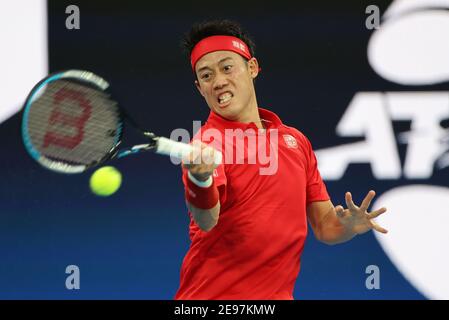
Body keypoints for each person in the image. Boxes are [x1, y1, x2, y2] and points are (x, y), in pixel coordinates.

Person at [175, 19, 388, 300]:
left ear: (252, 68)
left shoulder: (295, 141)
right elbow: (206, 219)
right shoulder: (206, 144)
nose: (218, 82)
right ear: (200, 88)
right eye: (206, 76)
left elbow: (325, 226)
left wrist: (348, 227)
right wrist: (199, 178)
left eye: (227, 68)